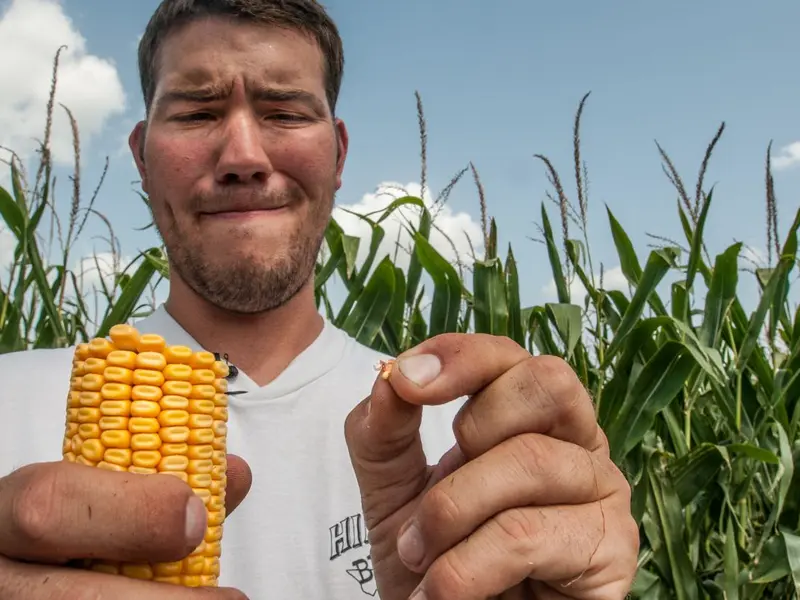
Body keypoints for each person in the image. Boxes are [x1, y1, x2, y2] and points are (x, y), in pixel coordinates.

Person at [0, 1, 639, 598]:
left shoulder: (460, 445)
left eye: (284, 113)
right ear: (140, 156)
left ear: (338, 155)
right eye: (197, 113)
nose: (243, 157)